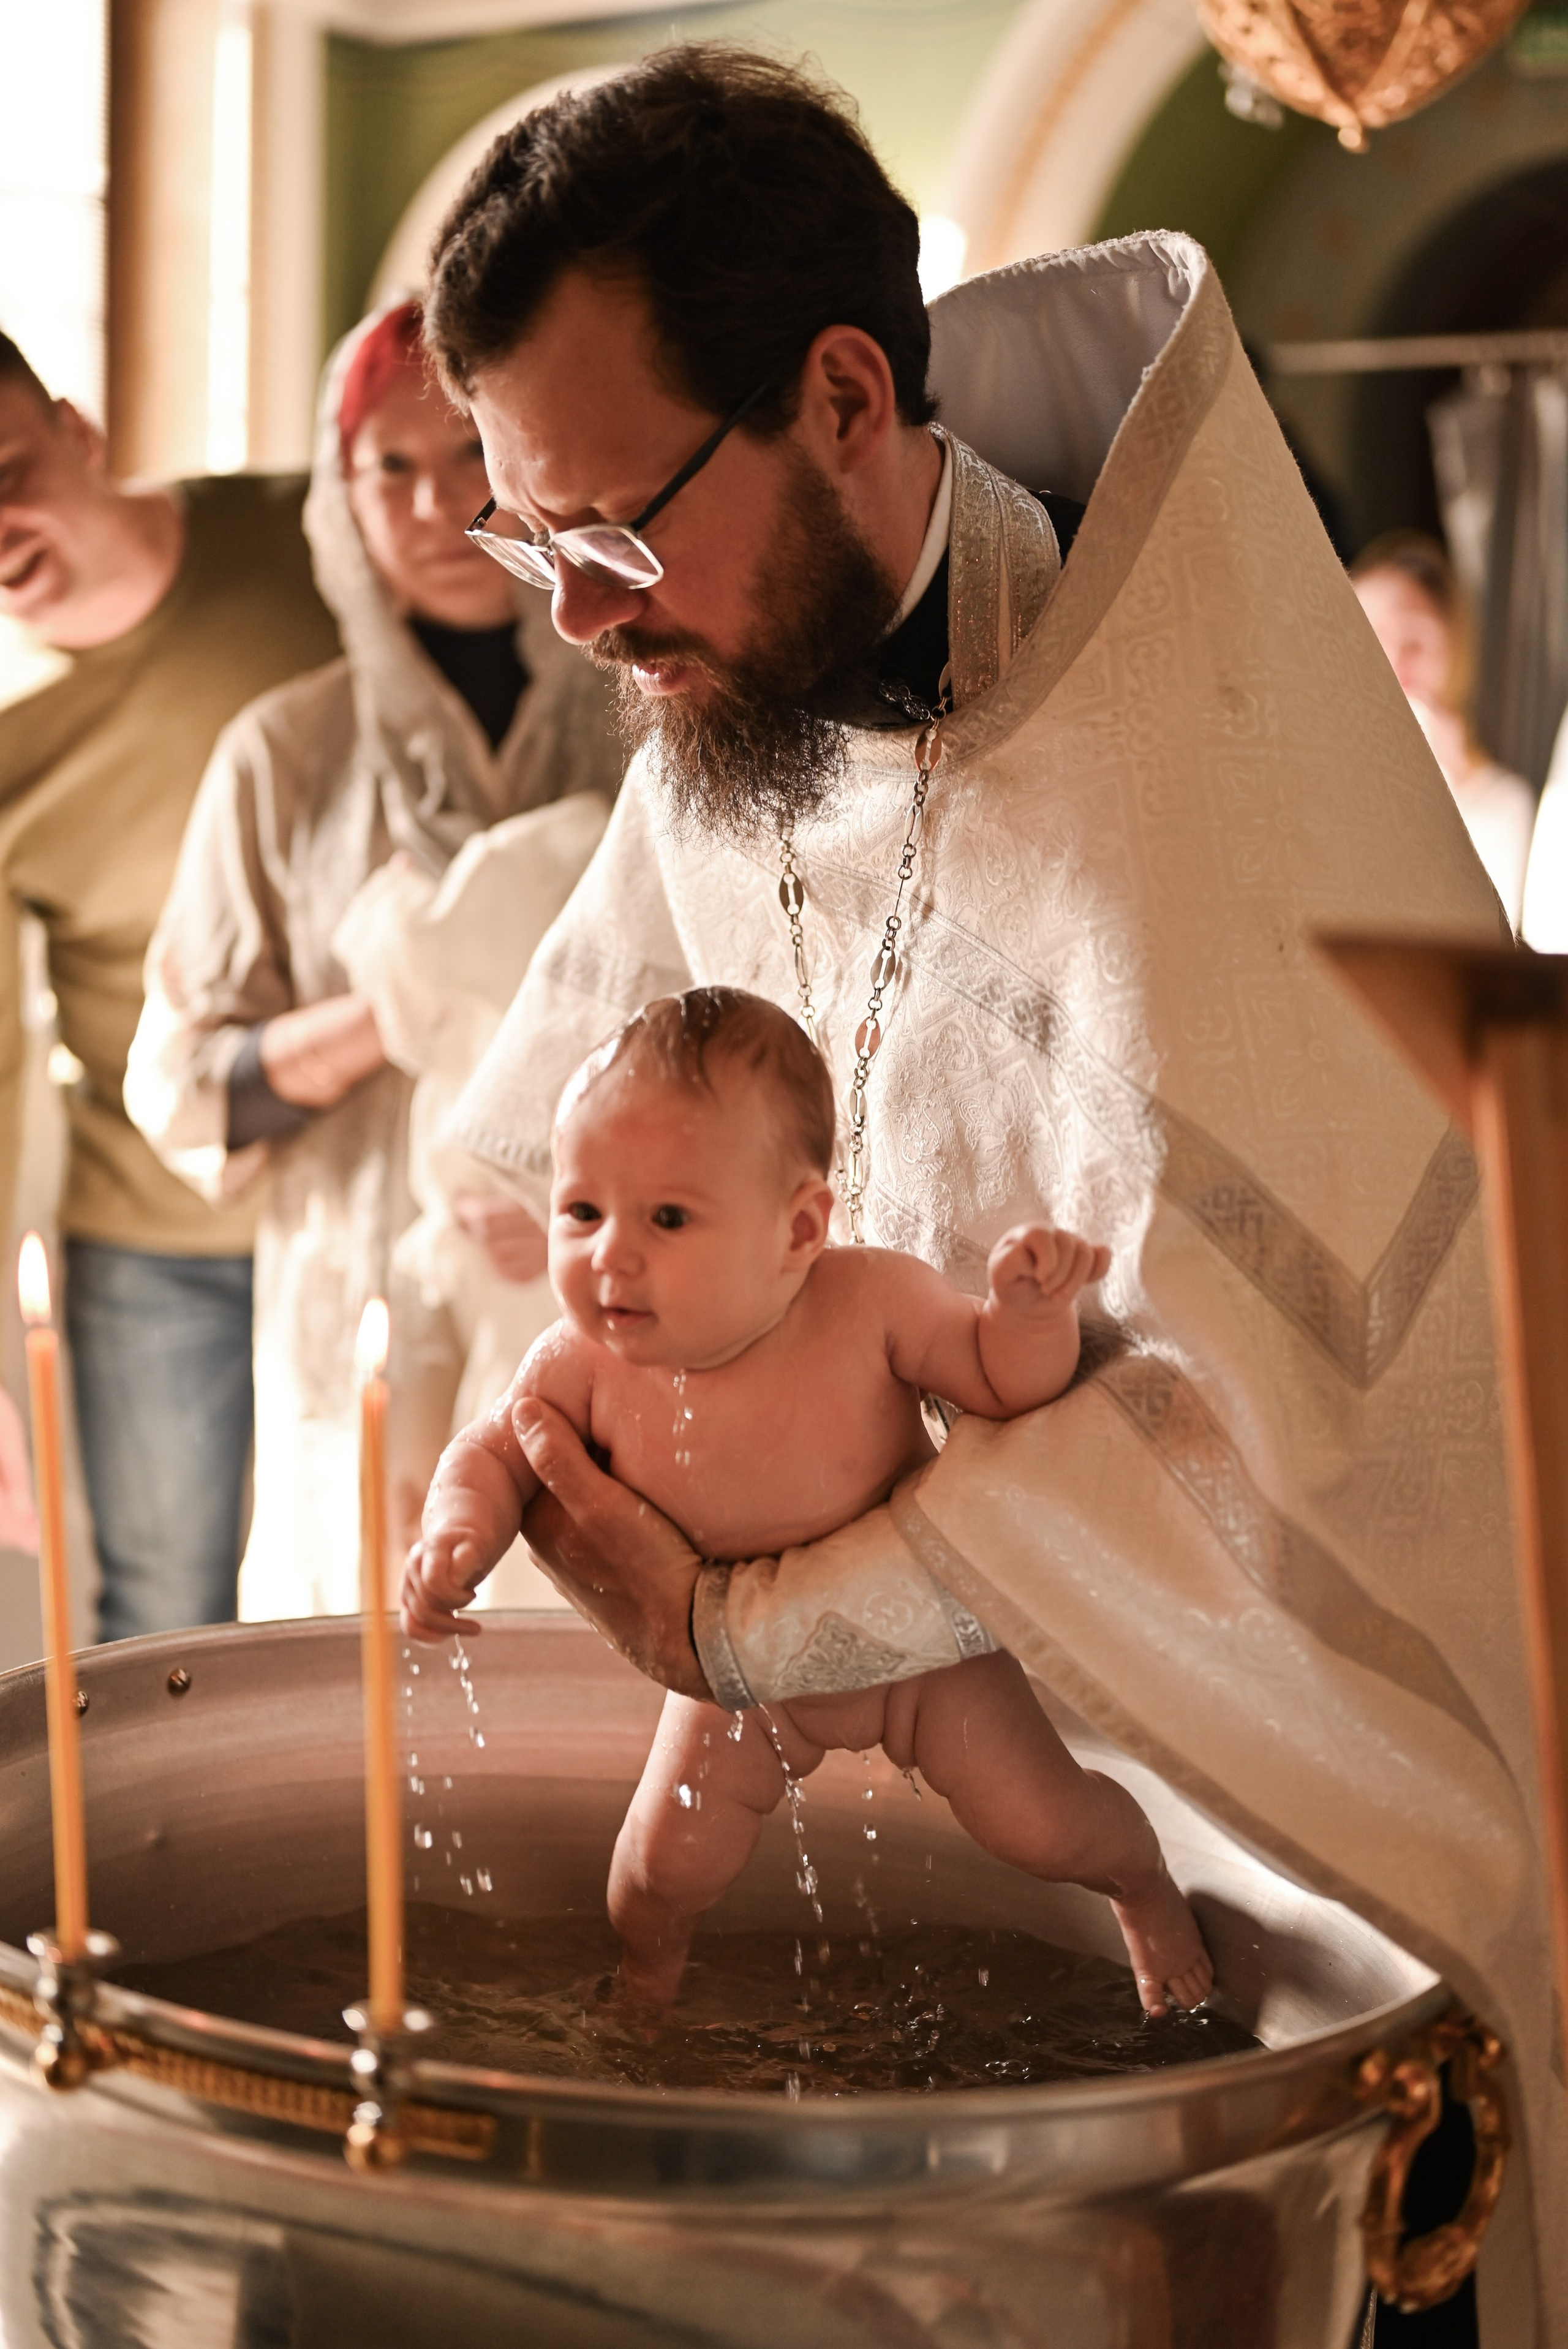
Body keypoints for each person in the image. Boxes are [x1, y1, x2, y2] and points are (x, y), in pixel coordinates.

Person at [417, 50, 1561, 2334]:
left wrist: (747, 1628)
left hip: (1281, 1861)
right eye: (526, 545)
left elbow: (1249, 1442)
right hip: (868, 1835)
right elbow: (528, 1142)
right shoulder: (730, 719)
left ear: (843, 390)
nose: (574, 619)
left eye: (608, 533)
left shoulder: (1202, 790)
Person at [407, 986, 1210, 2013]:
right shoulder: (581, 1360)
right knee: (657, 1869)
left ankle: (1140, 1886)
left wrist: (1027, 1316)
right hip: (742, 1683)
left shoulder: (872, 1302)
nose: (611, 1252)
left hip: (926, 1661)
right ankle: (647, 1983)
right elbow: (495, 1451)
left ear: (798, 1230)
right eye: (582, 1210)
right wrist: (457, 1533)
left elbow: (1006, 1385)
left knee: (1042, 1827)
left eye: (666, 1217)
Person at [126, 303, 621, 1619]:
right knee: (362, 1720)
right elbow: (186, 1081)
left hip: (621, 1324)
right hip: (353, 1328)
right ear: (341, 501)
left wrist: (577, 1179)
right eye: (385, 470)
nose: (429, 505)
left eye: (465, 457)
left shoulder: (654, 715)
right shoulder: (283, 757)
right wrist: (395, 1005)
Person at [0, 329, 339, 1642]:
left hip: (376, 1184)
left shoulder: (312, 532)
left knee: (391, 1587)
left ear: (79, 430)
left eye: (9, 469)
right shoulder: (11, 737)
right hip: (151, 1235)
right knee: (162, 1623)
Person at [1351, 531, 1536, 932]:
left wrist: (1446, 790)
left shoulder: (1498, 804)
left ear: (1455, 654)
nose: (1393, 663)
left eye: (1416, 642)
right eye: (1372, 635)